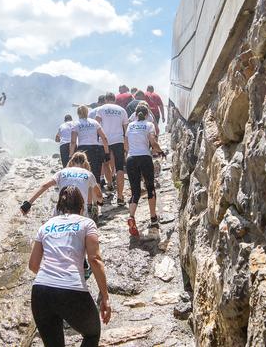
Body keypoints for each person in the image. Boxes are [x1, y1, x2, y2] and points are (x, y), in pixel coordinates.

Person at [28, 186, 111, 347]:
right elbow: (94, 259)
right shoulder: (87, 223)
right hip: (72, 288)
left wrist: (51, 277)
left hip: (40, 291)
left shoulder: (46, 226)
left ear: (59, 206)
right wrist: (105, 296)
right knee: (92, 333)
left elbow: (33, 265)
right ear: (81, 207)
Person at [20, 151, 103, 219]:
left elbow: (45, 186)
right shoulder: (88, 174)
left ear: (71, 161)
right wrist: (99, 202)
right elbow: (98, 194)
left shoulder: (62, 172)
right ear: (85, 163)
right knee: (90, 188)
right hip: (79, 212)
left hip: (61, 210)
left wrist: (28, 203)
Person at [124, 104, 166, 237]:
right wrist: (161, 151)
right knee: (150, 188)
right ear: (147, 114)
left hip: (131, 159)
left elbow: (125, 145)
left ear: (135, 115)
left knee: (135, 191)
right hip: (145, 158)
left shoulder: (130, 126)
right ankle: (153, 218)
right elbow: (153, 143)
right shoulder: (149, 125)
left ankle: (131, 216)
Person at [94, 92, 129, 206]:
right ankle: (120, 196)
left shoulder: (101, 109)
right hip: (118, 140)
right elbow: (126, 128)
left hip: (104, 141)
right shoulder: (121, 110)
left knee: (106, 164)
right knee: (119, 168)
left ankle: (109, 184)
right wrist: (126, 142)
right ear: (114, 99)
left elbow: (96, 124)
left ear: (105, 100)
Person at [70, 105, 110, 187]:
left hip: (83, 150)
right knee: (96, 175)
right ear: (87, 112)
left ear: (78, 113)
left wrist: (71, 155)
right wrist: (106, 153)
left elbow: (73, 141)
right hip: (96, 149)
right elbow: (104, 138)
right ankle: (98, 199)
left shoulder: (76, 124)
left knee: (83, 173)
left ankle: (85, 196)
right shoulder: (94, 122)